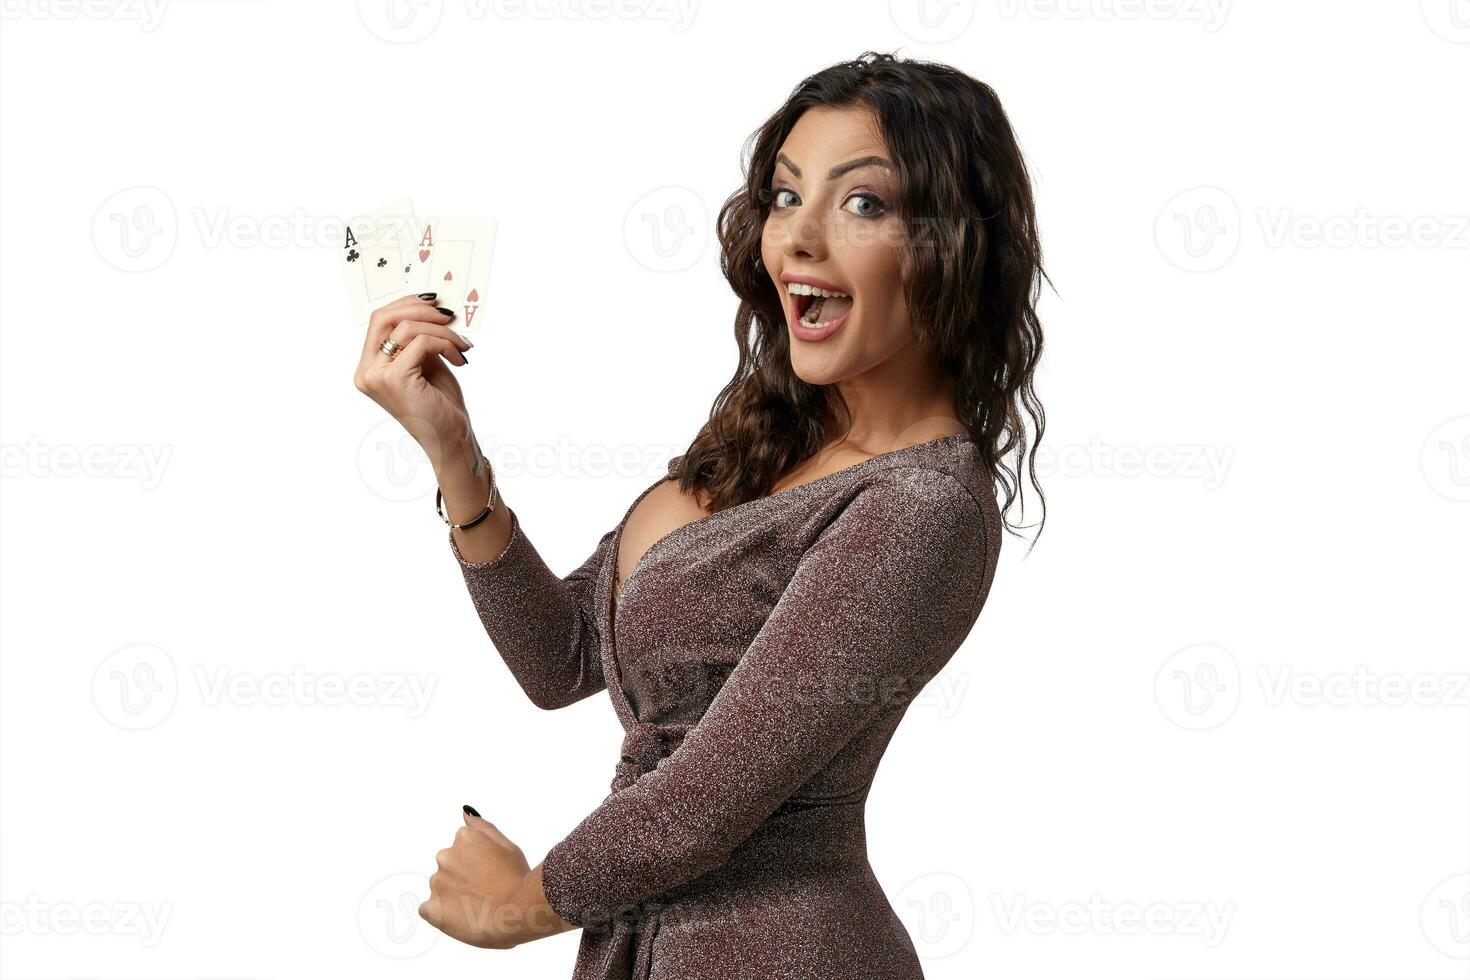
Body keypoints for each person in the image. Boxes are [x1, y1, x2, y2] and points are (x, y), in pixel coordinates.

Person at [353, 49, 1047, 980]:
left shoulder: (925, 508)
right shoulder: (771, 435)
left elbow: (703, 802)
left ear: (958, 247)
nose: (796, 238)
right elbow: (560, 659)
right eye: (786, 195)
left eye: (863, 202)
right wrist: (452, 452)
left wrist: (519, 903)